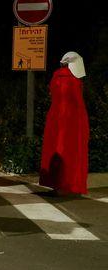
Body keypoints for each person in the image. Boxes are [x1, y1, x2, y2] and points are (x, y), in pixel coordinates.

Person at [39, 52, 89, 195]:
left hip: (55, 117)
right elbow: (78, 103)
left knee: (55, 149)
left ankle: (56, 185)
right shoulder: (74, 80)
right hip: (72, 119)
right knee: (71, 151)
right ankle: (68, 184)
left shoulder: (55, 76)